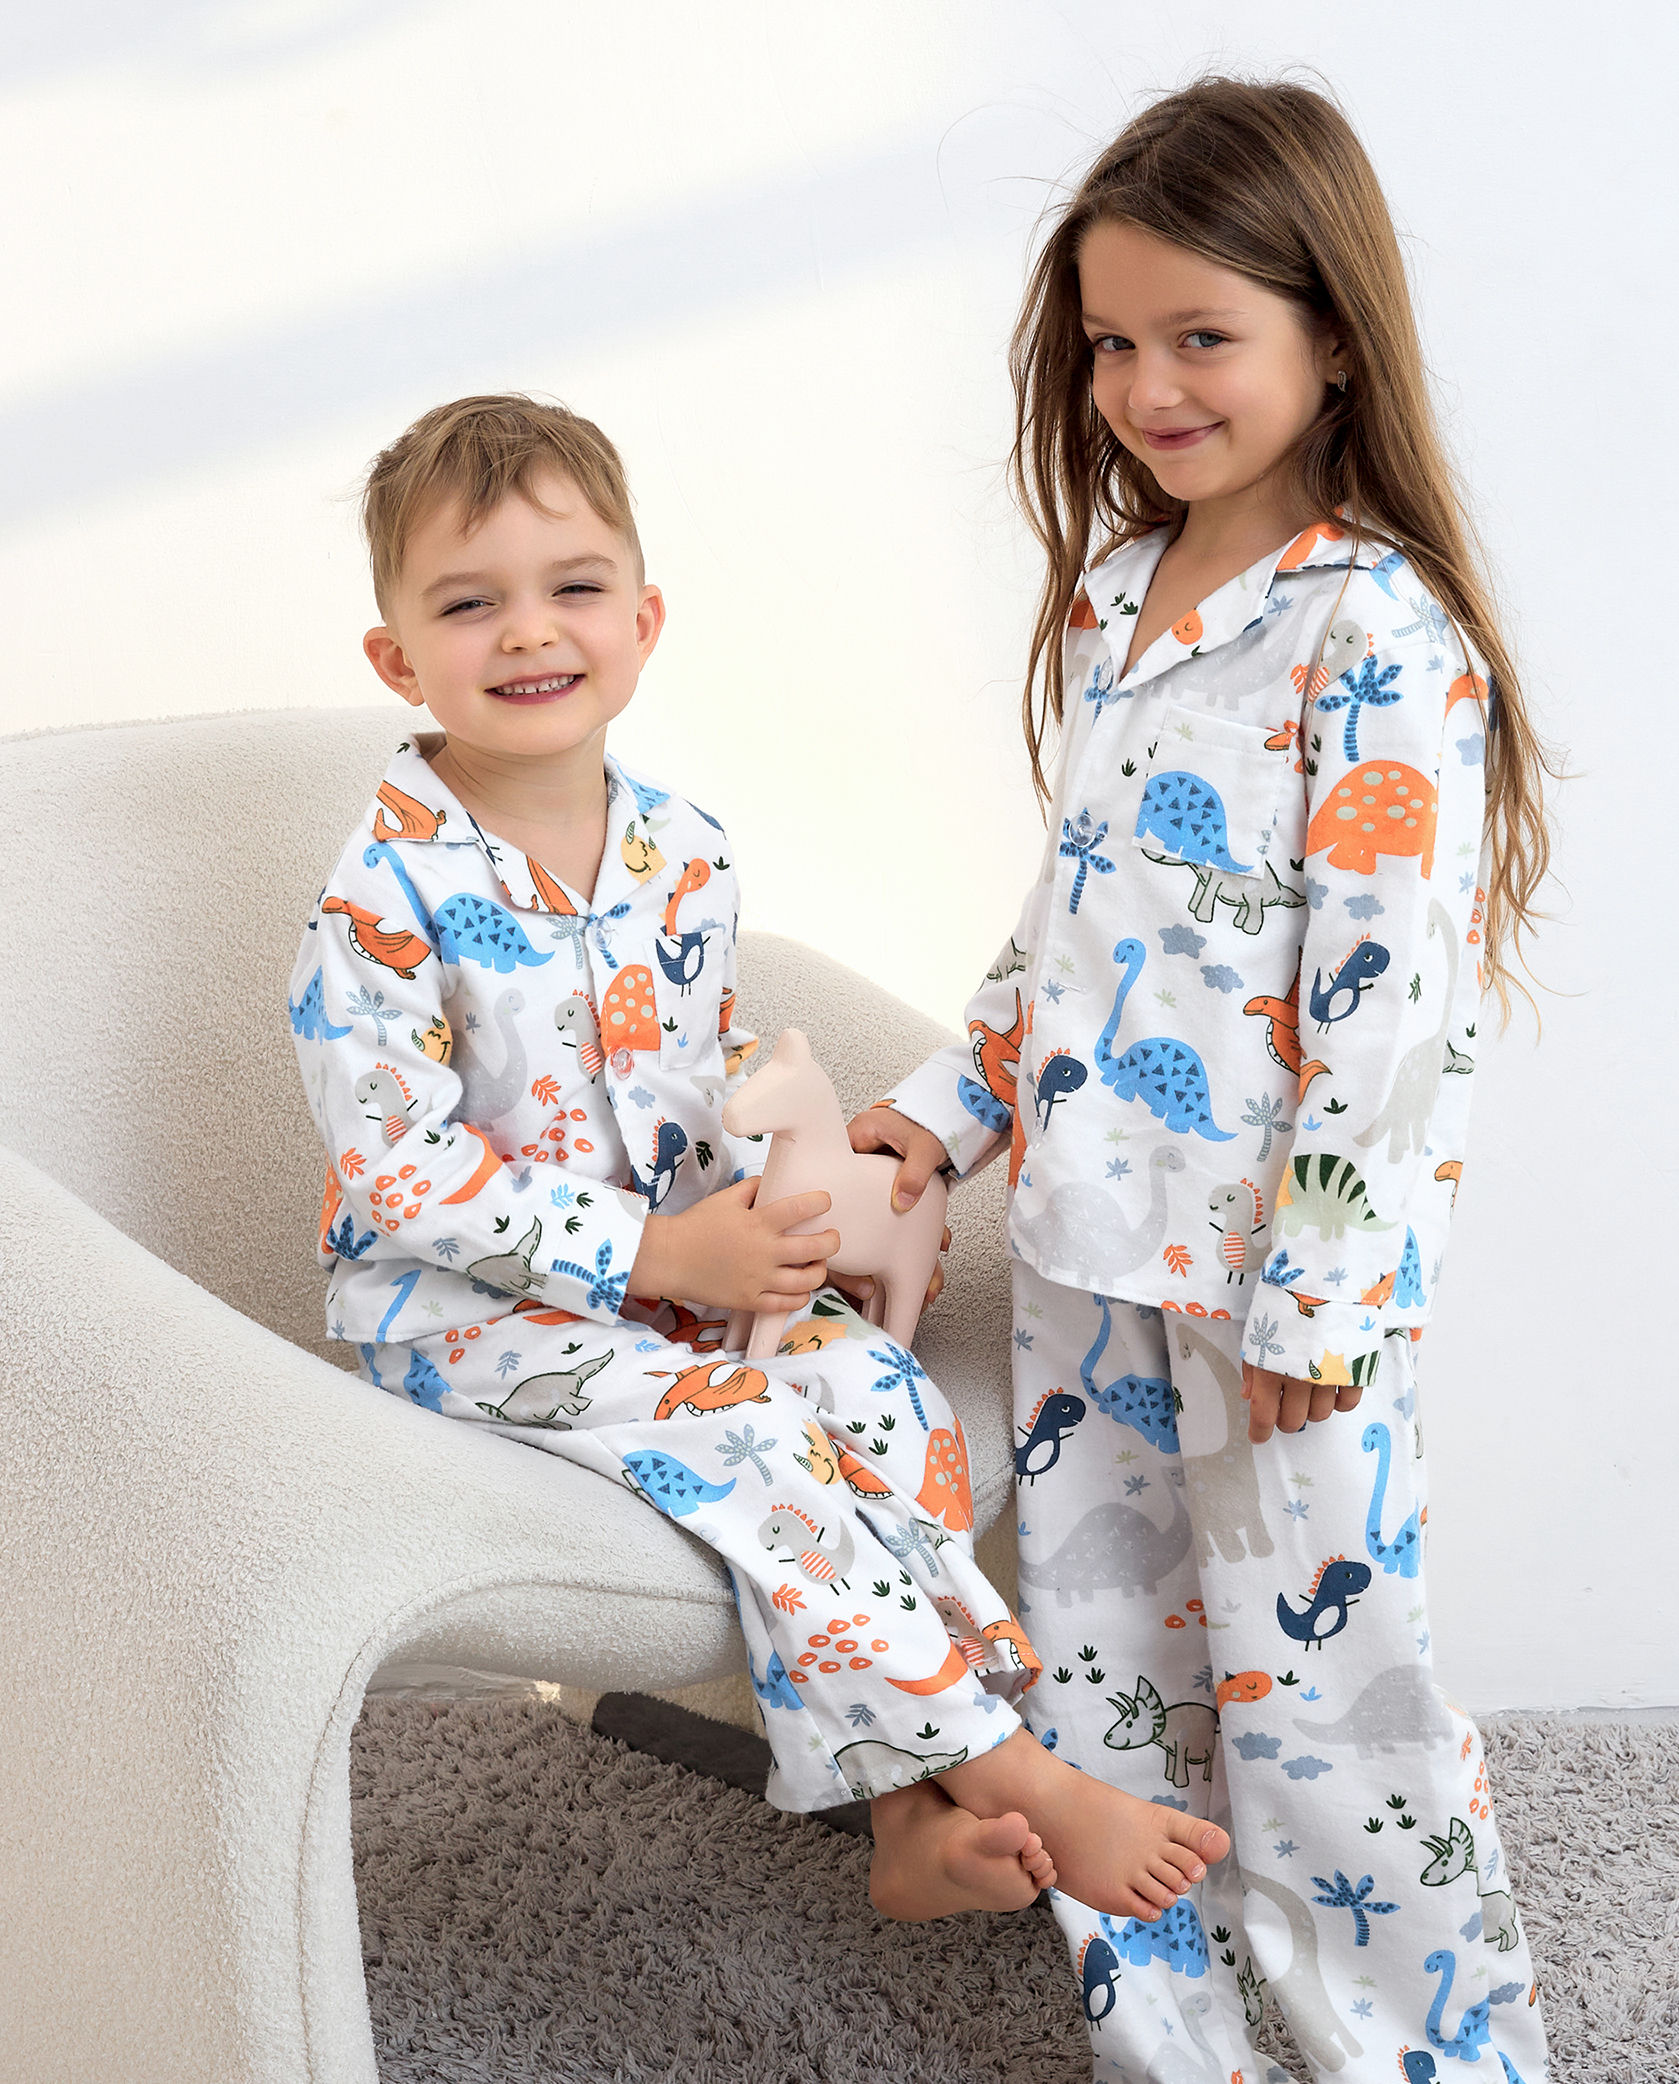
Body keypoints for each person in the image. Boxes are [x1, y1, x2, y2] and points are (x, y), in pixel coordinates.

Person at [848, 78, 1553, 2084]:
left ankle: (1433, 2057)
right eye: (1110, 343)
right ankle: (1172, 2070)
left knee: (1332, 1688)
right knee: (1102, 1691)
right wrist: (938, 1118)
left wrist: (1328, 1293)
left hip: (1277, 1290)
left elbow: (1395, 1001)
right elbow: (1070, 939)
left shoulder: (1381, 631)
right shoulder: (1120, 601)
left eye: (1201, 337)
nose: (1147, 387)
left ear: (1332, 335)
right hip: (1085, 1250)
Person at [287, 393, 1230, 1934]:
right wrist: (654, 1256)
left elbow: (693, 1082)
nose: (529, 631)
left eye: (574, 586)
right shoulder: (382, 893)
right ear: (398, 659)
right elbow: (397, 1169)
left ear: (642, 621)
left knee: (876, 1395)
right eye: (469, 604)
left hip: (685, 1279)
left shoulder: (687, 852)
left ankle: (904, 1815)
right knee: (753, 1433)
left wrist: (803, 1200)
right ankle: (1010, 1770)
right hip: (466, 1316)